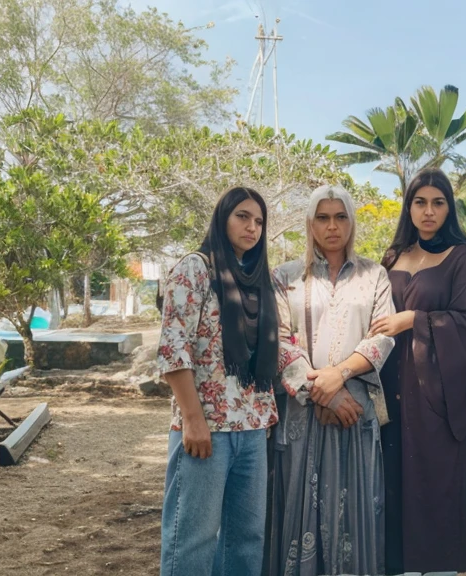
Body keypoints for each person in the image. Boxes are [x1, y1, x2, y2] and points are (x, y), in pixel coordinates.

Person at [265, 184, 396, 576]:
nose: (332, 226)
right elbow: (279, 340)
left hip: (355, 411)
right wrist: (320, 394)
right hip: (304, 413)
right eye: (323, 217)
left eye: (340, 217)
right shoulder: (285, 277)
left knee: (356, 510)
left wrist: (338, 379)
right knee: (299, 507)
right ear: (309, 223)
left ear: (351, 222)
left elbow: (382, 336)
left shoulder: (374, 274)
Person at [157, 186, 279, 576]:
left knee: (246, 541)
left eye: (259, 221)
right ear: (222, 217)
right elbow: (174, 348)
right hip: (206, 428)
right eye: (243, 216)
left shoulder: (257, 280)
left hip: (252, 427)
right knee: (192, 538)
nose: (252, 227)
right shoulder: (196, 268)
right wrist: (192, 419)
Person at [374, 168, 466, 575]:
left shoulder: (461, 258)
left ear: (449, 208)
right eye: (420, 202)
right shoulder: (393, 256)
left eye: (438, 203)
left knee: (435, 490)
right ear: (409, 207)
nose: (428, 211)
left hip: (436, 398)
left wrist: (412, 320)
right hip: (390, 393)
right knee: (392, 487)